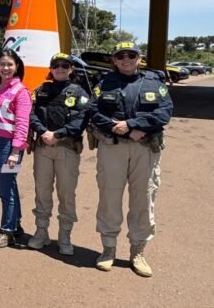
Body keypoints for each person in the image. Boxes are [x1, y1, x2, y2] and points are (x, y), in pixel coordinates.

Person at [89, 42, 172, 277]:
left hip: (144, 148)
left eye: (131, 55)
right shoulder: (104, 83)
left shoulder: (154, 82)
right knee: (109, 197)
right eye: (120, 56)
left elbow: (164, 112)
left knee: (143, 199)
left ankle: (138, 251)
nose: (126, 59)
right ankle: (108, 250)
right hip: (112, 147)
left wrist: (135, 126)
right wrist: (124, 129)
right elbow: (94, 111)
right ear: (114, 60)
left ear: (139, 58)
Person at [27, 53, 89, 255]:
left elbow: (81, 120)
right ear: (51, 69)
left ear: (71, 69)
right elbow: (31, 114)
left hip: (66, 148)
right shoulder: (42, 89)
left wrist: (58, 134)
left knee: (66, 193)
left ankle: (65, 236)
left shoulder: (79, 92)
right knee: (42, 191)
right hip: (43, 147)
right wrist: (44, 132)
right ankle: (41, 232)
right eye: (56, 65)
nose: (60, 68)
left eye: (65, 65)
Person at [0, 48, 32, 248]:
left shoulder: (21, 92)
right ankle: (16, 224)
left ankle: (7, 231)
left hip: (9, 147)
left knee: (5, 187)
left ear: (17, 66)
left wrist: (15, 151)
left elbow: (22, 124)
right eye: (2, 64)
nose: (5, 68)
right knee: (9, 184)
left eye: (10, 64)